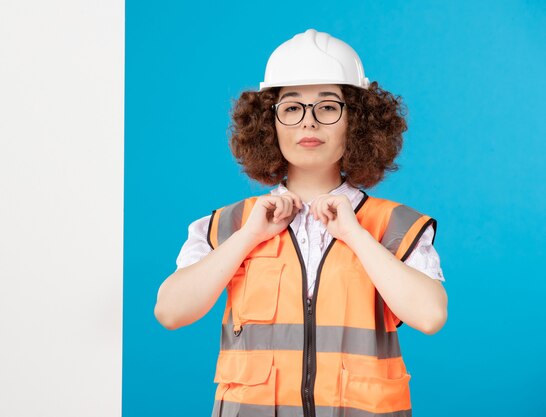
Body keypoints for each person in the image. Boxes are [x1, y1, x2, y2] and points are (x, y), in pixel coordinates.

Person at [155, 28, 448, 417]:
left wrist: (355, 236)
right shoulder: (229, 225)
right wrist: (248, 237)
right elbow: (171, 312)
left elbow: (430, 316)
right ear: (269, 123)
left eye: (328, 107)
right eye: (291, 108)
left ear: (356, 122)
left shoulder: (394, 224)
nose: (308, 123)